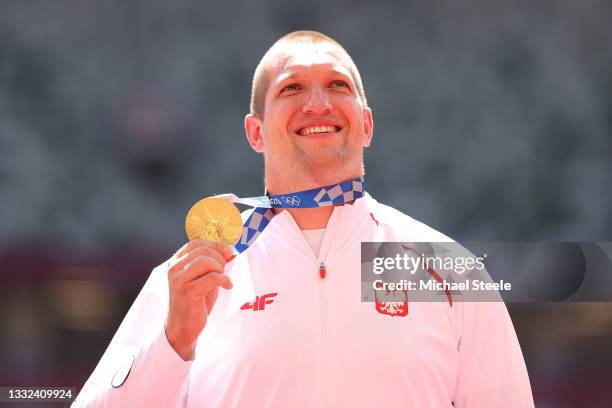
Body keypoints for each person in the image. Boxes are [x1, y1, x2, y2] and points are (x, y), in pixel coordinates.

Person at [73, 31, 534, 407]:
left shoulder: (445, 266)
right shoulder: (197, 274)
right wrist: (173, 343)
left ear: (367, 124)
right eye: (292, 88)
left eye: (338, 86)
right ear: (256, 132)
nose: (318, 104)